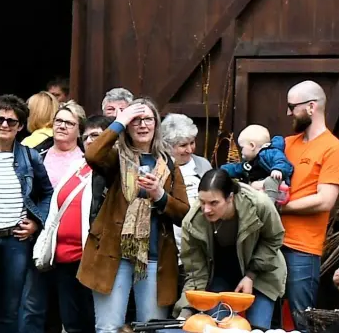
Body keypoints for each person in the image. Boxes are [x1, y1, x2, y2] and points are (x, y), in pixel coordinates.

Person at [78, 98, 189, 333]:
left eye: (148, 119)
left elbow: (183, 213)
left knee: (150, 328)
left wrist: (159, 195)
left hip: (154, 257)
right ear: (128, 125)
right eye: (135, 120)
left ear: (156, 125)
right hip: (113, 255)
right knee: (109, 328)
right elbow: (93, 155)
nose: (142, 125)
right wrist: (118, 121)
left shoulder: (168, 164)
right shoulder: (116, 158)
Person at [0, 95, 53, 333]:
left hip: (16, 239)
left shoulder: (30, 156)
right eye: (0, 119)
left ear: (20, 126)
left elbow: (48, 193)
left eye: (12, 121)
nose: (5, 125)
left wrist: (37, 223)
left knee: (10, 307)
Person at [278, 80, 339, 332]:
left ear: (311, 107)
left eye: (291, 106)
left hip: (302, 249)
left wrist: (280, 207)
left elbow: (325, 200)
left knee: (301, 321)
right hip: (270, 242)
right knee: (262, 317)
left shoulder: (333, 149)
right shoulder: (286, 144)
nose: (288, 113)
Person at [23, 112, 104, 333]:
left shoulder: (110, 171)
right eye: (87, 137)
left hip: (89, 257)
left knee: (89, 320)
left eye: (97, 135)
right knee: (69, 321)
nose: (90, 140)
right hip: (62, 255)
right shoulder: (76, 165)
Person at [177, 169, 287, 329]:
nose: (206, 209)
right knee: (216, 325)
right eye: (202, 202)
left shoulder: (259, 205)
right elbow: (196, 271)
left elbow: (274, 238)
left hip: (262, 272)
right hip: (221, 275)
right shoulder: (193, 221)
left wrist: (250, 275)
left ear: (230, 197)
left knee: (256, 327)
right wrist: (186, 309)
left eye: (213, 203)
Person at [161, 113, 212, 243]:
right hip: (171, 240)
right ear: (167, 145)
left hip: (200, 237)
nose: (190, 150)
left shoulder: (203, 164)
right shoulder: (161, 168)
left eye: (192, 143)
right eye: (183, 145)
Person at [219, 124, 294, 199]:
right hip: (261, 186)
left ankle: (270, 203)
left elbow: (282, 161)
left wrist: (278, 169)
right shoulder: (250, 162)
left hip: (277, 188)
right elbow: (238, 168)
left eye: (242, 147)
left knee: (269, 182)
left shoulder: (270, 153)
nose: (241, 151)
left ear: (252, 146)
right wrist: (223, 170)